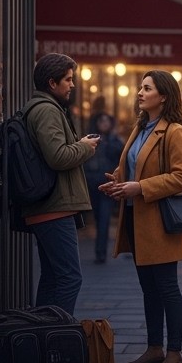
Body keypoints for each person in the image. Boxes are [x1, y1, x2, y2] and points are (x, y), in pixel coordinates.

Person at [102, 70, 182, 363]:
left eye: (147, 88)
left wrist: (140, 188)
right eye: (140, 87)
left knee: (167, 287)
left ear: (163, 96)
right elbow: (133, 165)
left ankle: (175, 353)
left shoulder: (174, 131)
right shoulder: (140, 127)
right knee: (148, 289)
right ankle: (154, 348)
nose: (140, 92)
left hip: (161, 222)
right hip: (136, 219)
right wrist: (117, 181)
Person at [22, 52, 99, 315]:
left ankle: (43, 339)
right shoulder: (46, 111)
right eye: (67, 79)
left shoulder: (44, 108)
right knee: (69, 278)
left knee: (53, 278)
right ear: (52, 83)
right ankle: (57, 339)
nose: (72, 85)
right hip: (54, 207)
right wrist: (85, 147)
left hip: (49, 207)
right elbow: (58, 156)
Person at [83, 112, 125, 264]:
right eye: (102, 121)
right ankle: (99, 251)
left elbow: (121, 159)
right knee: (97, 217)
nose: (104, 124)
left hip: (108, 185)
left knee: (104, 219)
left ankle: (100, 253)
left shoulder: (115, 141)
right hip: (93, 185)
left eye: (107, 121)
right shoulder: (91, 139)